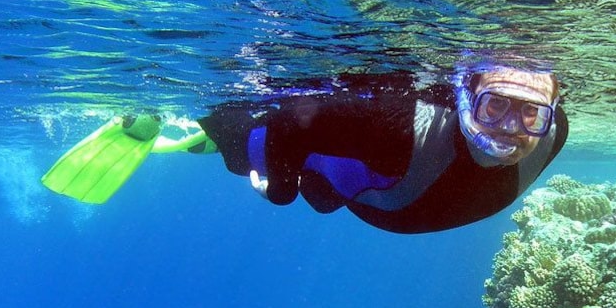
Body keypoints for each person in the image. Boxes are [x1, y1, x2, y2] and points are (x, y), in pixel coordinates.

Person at [41, 62, 568, 233]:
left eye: (530, 113)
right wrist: (279, 192)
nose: (508, 131)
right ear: (463, 96)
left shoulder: (555, 133)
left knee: (325, 193)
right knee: (247, 143)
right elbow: (293, 124)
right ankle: (177, 120)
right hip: (333, 163)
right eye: (493, 106)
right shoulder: (398, 127)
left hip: (362, 191)